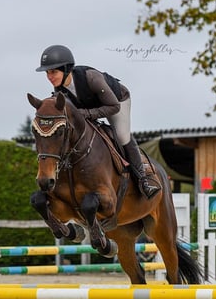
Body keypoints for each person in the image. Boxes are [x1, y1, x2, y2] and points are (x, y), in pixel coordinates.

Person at [35, 44, 162, 199]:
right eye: (47, 73)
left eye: (53, 71)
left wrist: (86, 114)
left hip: (116, 101)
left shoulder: (91, 78)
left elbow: (113, 106)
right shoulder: (59, 92)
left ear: (67, 69)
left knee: (122, 136)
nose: (49, 76)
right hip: (90, 107)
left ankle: (143, 179)